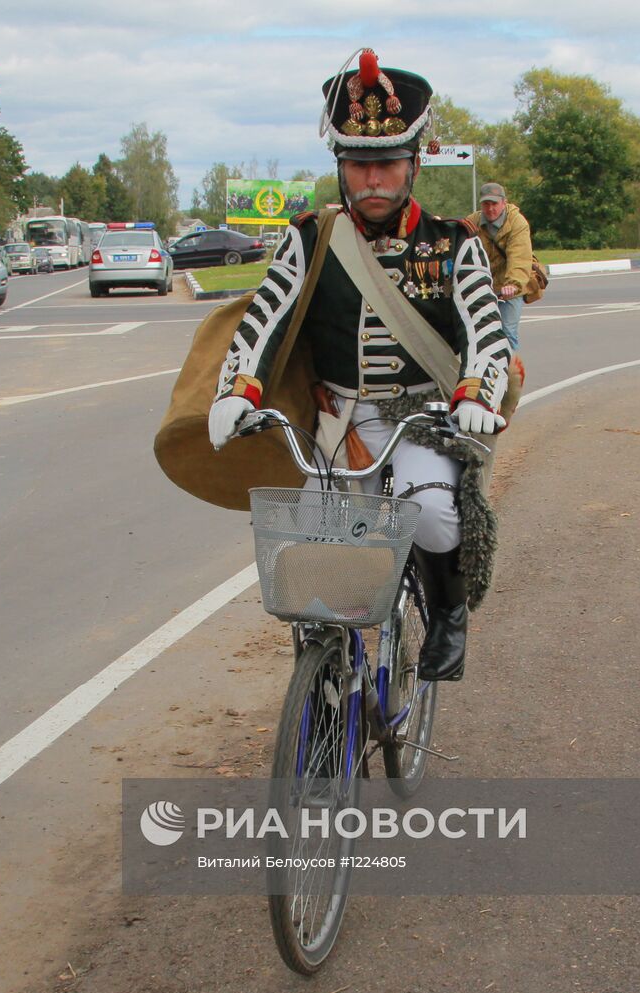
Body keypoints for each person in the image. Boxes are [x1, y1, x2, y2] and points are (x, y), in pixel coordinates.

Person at [207, 48, 510, 682]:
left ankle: (449, 615)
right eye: (359, 167)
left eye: (387, 166)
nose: (373, 181)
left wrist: (478, 392)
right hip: (336, 416)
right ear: (342, 169)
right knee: (322, 548)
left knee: (431, 512)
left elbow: (484, 323)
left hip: (423, 413)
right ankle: (326, 677)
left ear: (414, 165)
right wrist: (236, 387)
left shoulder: (454, 243)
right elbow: (269, 311)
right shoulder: (310, 238)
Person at [467, 183, 532, 351]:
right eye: (486, 204)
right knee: (477, 334)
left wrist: (513, 283)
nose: (490, 209)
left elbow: (519, 256)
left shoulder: (517, 223)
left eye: (494, 204)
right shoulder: (472, 222)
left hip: (509, 286)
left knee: (507, 332)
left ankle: (510, 375)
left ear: (504, 203)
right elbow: (459, 247)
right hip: (483, 286)